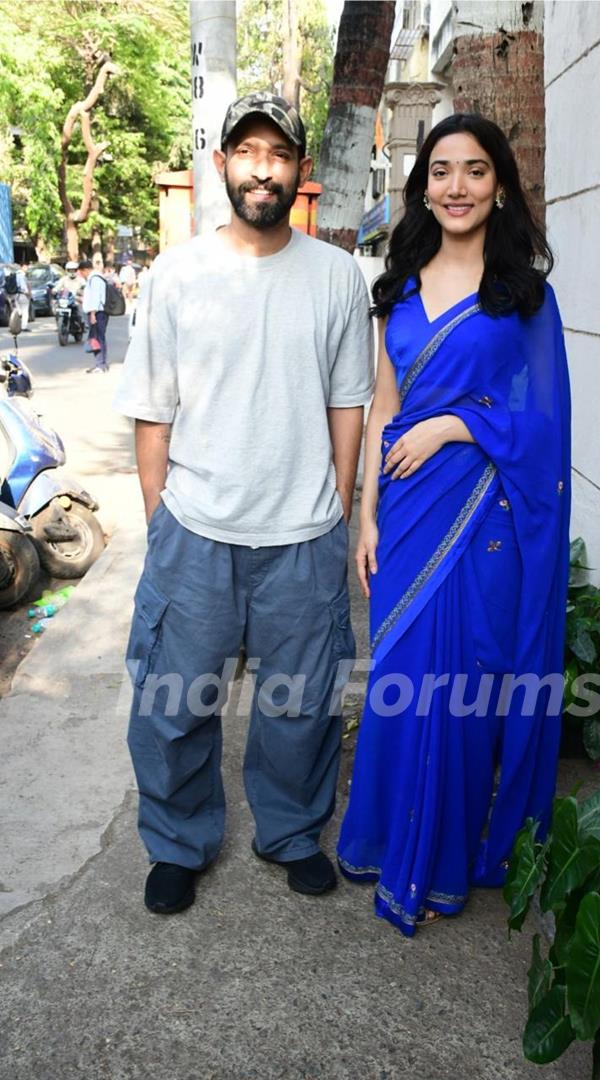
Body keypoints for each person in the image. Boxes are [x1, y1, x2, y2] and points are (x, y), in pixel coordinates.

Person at [113, 93, 374, 915]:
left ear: (299, 173)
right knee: (173, 704)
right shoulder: (177, 275)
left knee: (300, 708)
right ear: (223, 164)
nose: (263, 166)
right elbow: (152, 412)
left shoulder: (336, 276)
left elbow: (347, 404)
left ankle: (291, 831)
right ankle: (179, 842)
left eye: (278, 153)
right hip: (196, 533)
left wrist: (334, 506)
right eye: (247, 151)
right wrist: (162, 524)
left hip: (302, 538)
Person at [336, 113, 571, 936]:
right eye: (441, 171)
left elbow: (545, 428)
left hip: (486, 522)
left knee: (467, 691)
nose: (457, 187)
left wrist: (462, 425)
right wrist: (363, 518)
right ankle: (391, 844)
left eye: (475, 171)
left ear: (499, 183)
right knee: (403, 689)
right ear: (422, 185)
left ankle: (441, 866)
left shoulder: (524, 300)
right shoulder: (399, 284)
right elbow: (382, 408)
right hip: (402, 517)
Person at [77, 259, 108, 372]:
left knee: (98, 339)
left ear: (85, 270)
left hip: (97, 312)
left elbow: (96, 297)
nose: (82, 275)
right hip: (98, 312)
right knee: (99, 338)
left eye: (81, 273)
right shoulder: (96, 278)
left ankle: (100, 364)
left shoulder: (94, 279)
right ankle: (100, 363)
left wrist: (93, 314)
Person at [15, 264, 30, 331]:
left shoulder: (14, 274)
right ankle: (24, 327)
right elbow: (23, 287)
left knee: (18, 312)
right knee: (25, 312)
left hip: (15, 295)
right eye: (26, 267)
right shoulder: (22, 275)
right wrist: (28, 293)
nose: (27, 269)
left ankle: (15, 326)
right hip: (22, 295)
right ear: (23, 267)